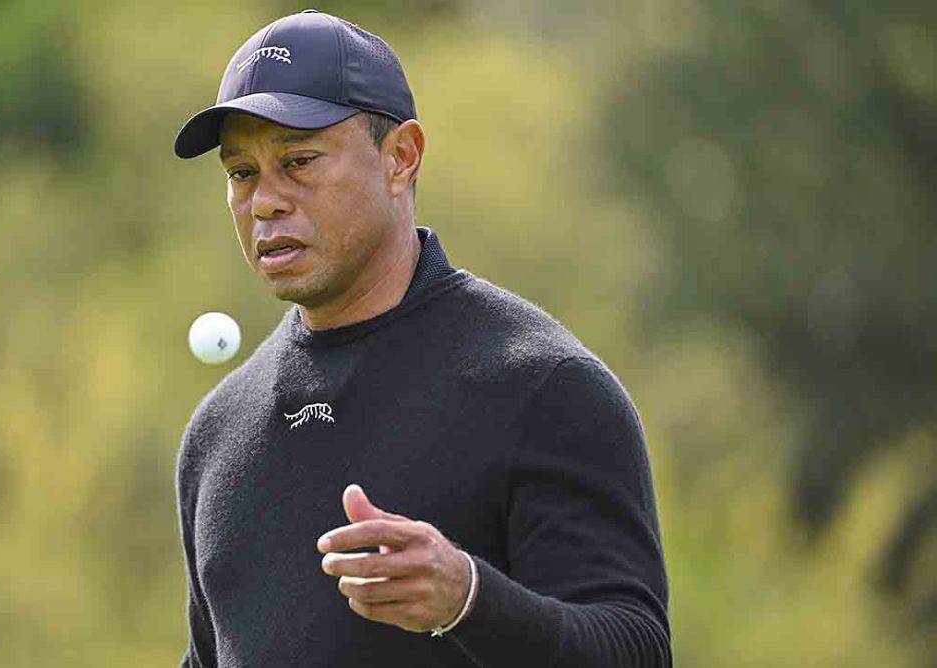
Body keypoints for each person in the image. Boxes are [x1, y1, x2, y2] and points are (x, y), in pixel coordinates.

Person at [172, 10, 671, 667]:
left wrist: (469, 600)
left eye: (298, 161)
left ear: (400, 158)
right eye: (242, 173)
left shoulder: (542, 387)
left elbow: (636, 652)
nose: (265, 201)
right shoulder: (217, 435)